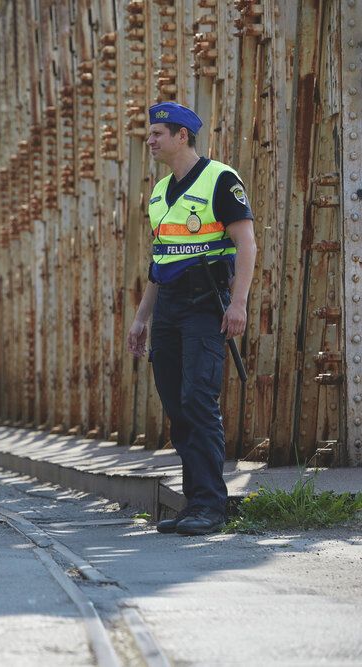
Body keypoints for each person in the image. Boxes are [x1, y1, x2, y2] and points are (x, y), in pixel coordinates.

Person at [127, 102, 257, 536]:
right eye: (150, 133)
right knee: (177, 404)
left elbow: (246, 244)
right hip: (168, 309)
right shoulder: (160, 192)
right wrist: (142, 317)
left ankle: (210, 507)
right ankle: (194, 502)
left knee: (199, 401)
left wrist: (238, 304)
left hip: (207, 305)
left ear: (182, 136)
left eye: (158, 133)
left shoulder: (221, 179)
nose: (150, 139)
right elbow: (159, 262)